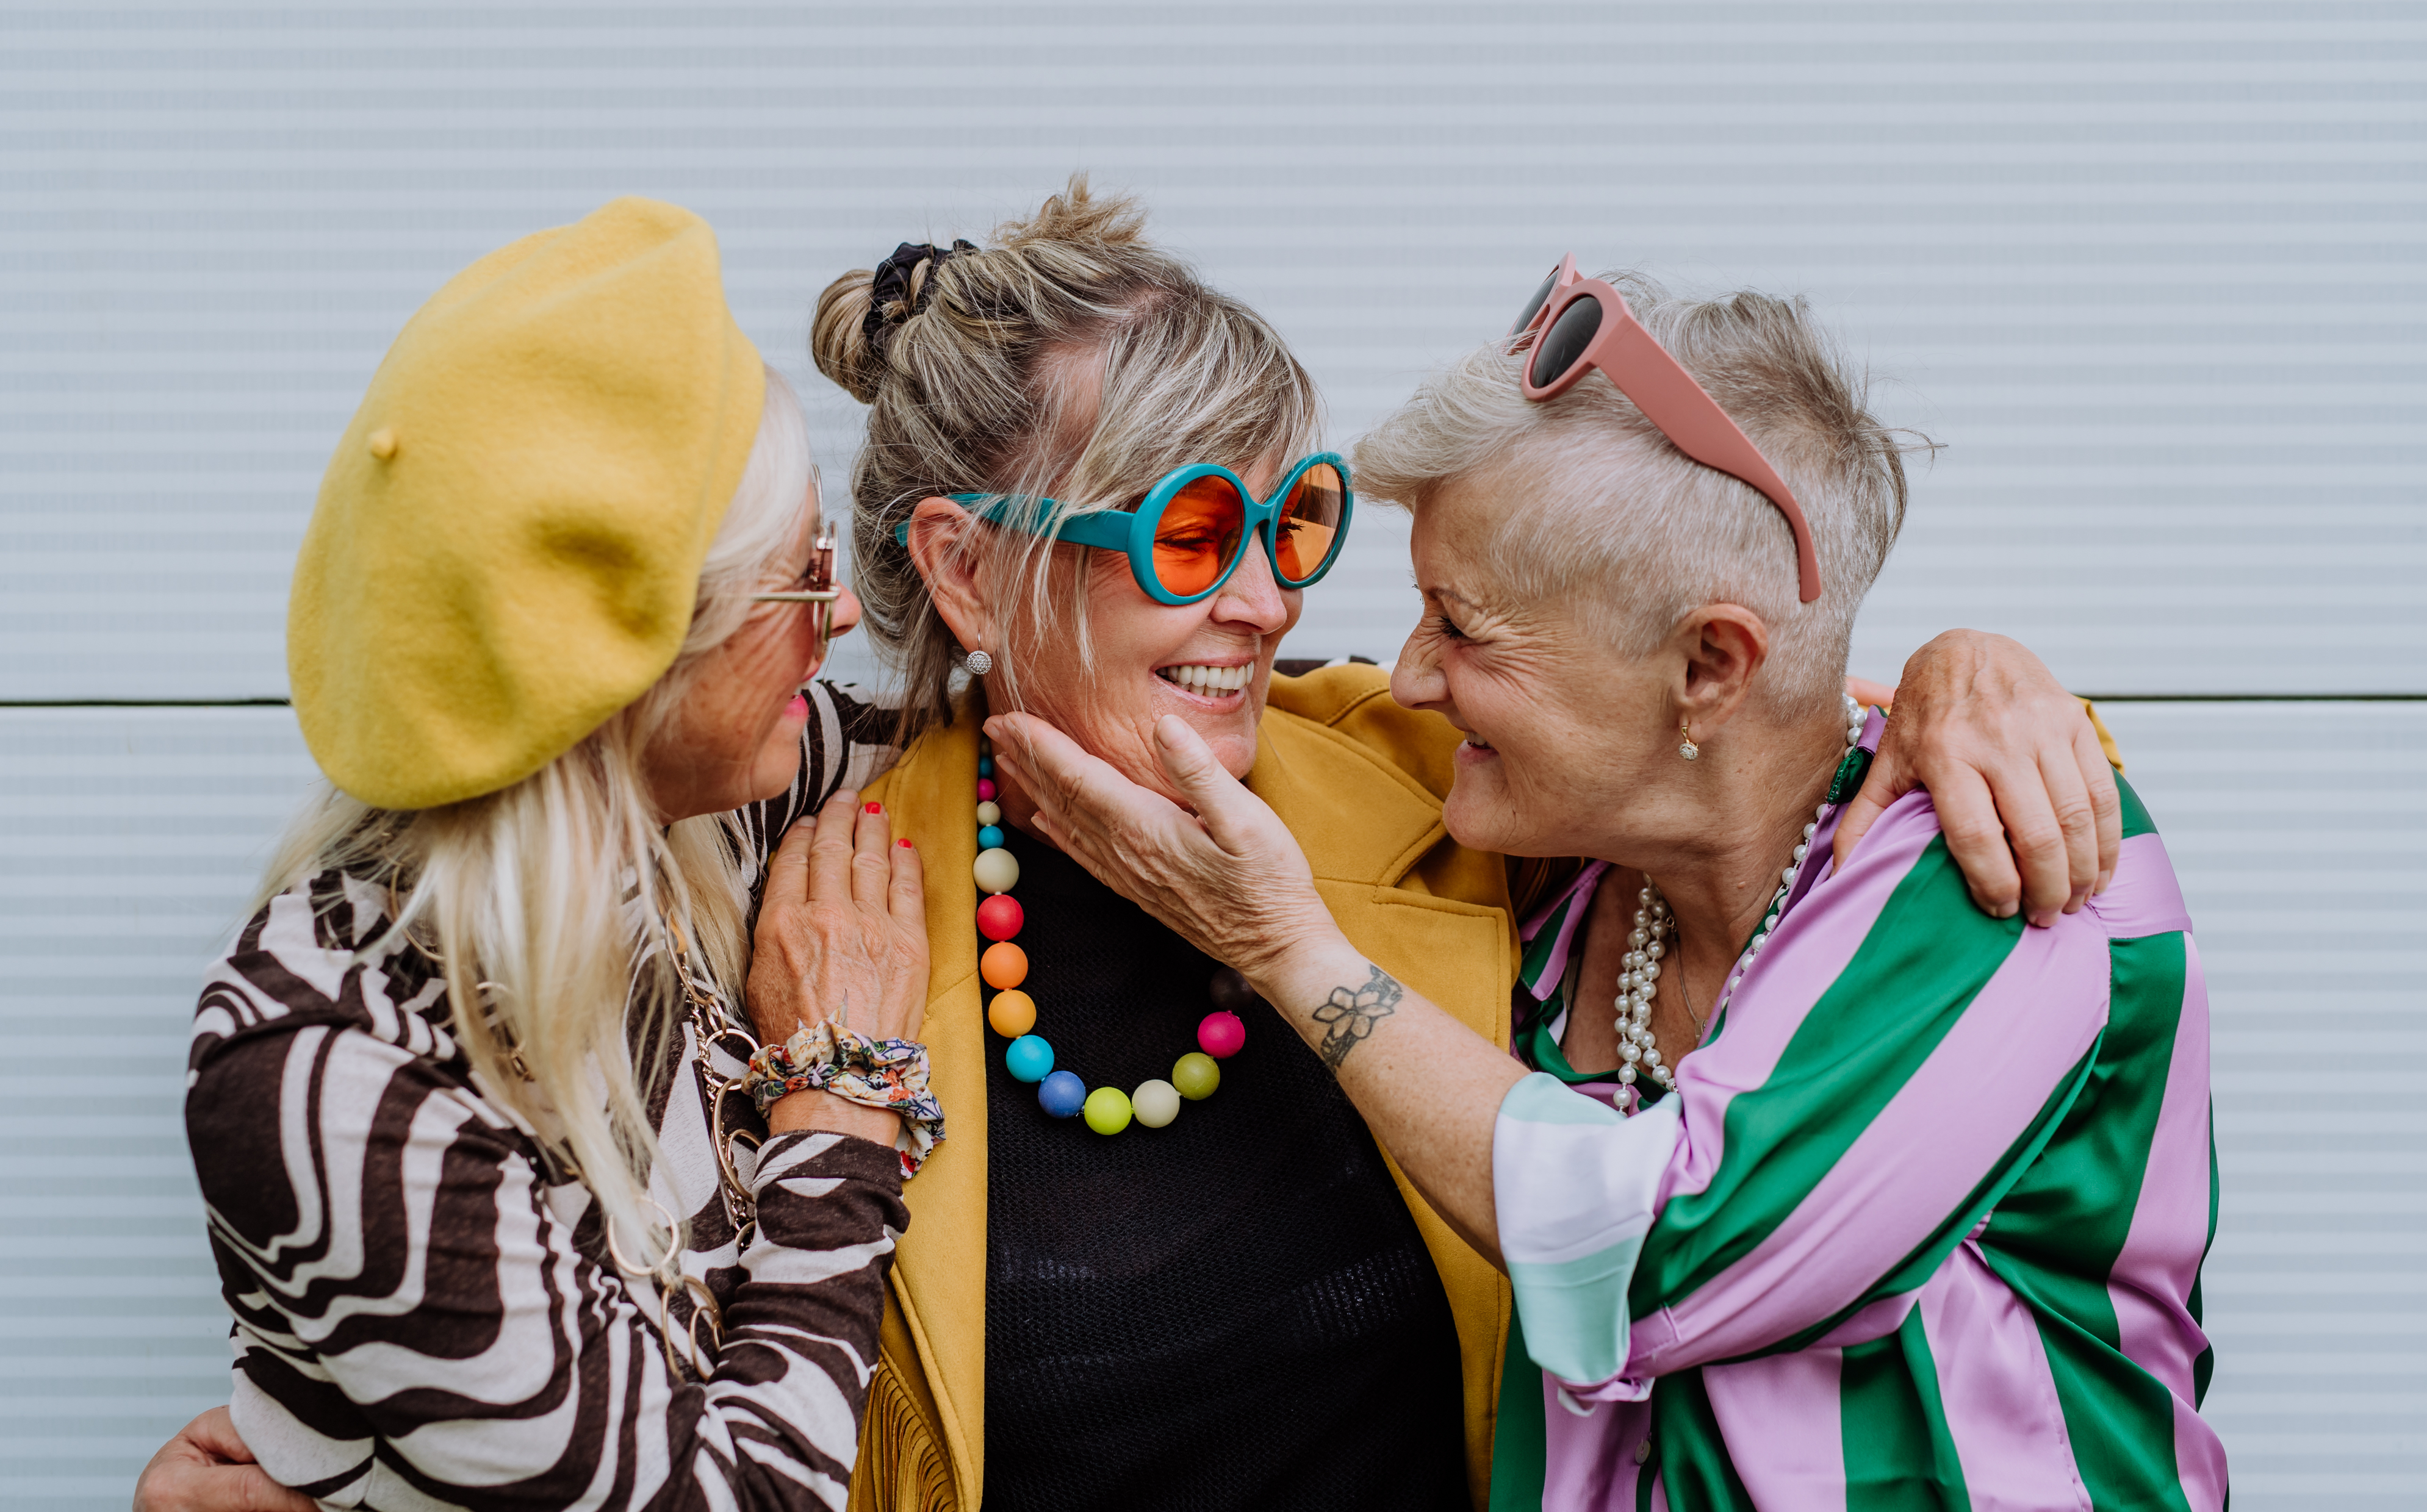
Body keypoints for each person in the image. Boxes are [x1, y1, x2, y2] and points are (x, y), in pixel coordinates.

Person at [800, 183, 2133, 1512]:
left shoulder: (1425, 789)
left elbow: (1726, 728)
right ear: (968, 572)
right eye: (1189, 535)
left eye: (1288, 524)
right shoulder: (824, 915)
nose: (1266, 604)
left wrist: (1973, 680)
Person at [136, 201, 938, 1511]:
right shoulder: (334, 1070)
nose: (843, 614)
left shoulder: (698, 804)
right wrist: (845, 1102)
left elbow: (972, 736)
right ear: (630, 668)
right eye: (799, 582)